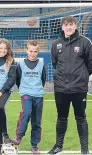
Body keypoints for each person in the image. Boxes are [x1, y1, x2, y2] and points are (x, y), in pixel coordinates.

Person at [48, 16, 92, 154]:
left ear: (75, 26)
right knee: (61, 118)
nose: (69, 27)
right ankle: (58, 146)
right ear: (62, 27)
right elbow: (55, 64)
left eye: (71, 25)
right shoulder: (56, 44)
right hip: (61, 88)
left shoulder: (85, 42)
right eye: (66, 25)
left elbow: (90, 64)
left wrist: (82, 78)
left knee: (81, 118)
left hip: (79, 88)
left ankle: (84, 149)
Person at [11, 41, 46, 154]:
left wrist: (37, 89)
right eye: (31, 51)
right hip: (26, 93)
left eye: (35, 51)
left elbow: (43, 79)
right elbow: (18, 79)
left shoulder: (41, 63)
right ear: (26, 51)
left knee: (36, 121)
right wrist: (24, 89)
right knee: (26, 113)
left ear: (38, 52)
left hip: (38, 95)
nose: (33, 53)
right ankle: (19, 137)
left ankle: (34, 145)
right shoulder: (21, 64)